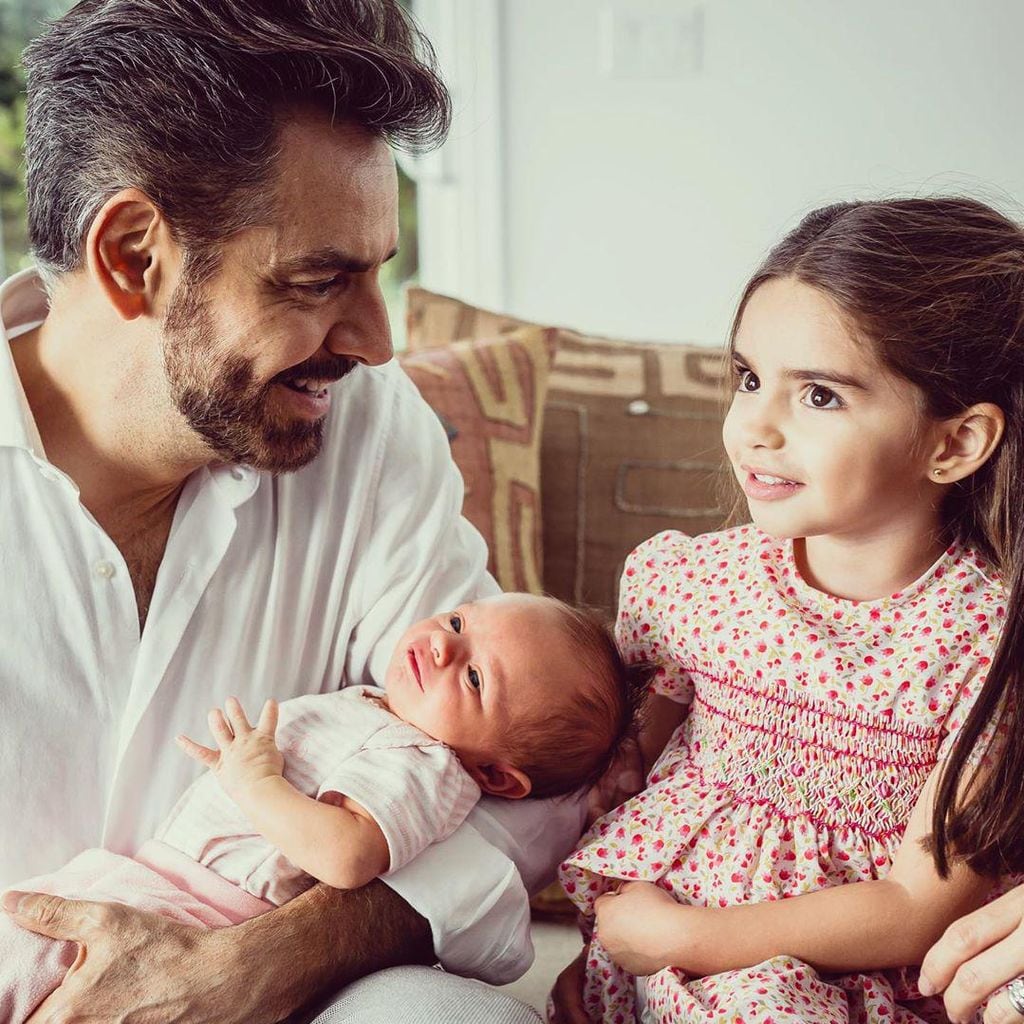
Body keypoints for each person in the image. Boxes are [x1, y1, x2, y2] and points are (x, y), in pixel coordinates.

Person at [0, 2, 584, 1022]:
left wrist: (262, 963)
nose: (374, 339)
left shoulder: (361, 425)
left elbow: (520, 795)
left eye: (378, 274)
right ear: (135, 255)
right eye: (320, 280)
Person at [548, 197, 1024, 1023]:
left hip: (826, 978)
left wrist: (686, 939)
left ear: (954, 443)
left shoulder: (991, 639)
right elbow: (623, 767)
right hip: (658, 948)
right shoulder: (693, 584)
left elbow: (917, 903)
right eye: (749, 378)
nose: (755, 426)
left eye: (821, 397)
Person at [2, 593, 648, 1024]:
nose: (444, 646)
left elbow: (348, 854)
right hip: (149, 883)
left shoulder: (424, 763)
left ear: (497, 776)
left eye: (477, 679)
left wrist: (257, 782)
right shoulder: (383, 714)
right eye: (457, 622)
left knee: (29, 963)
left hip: (200, 917)